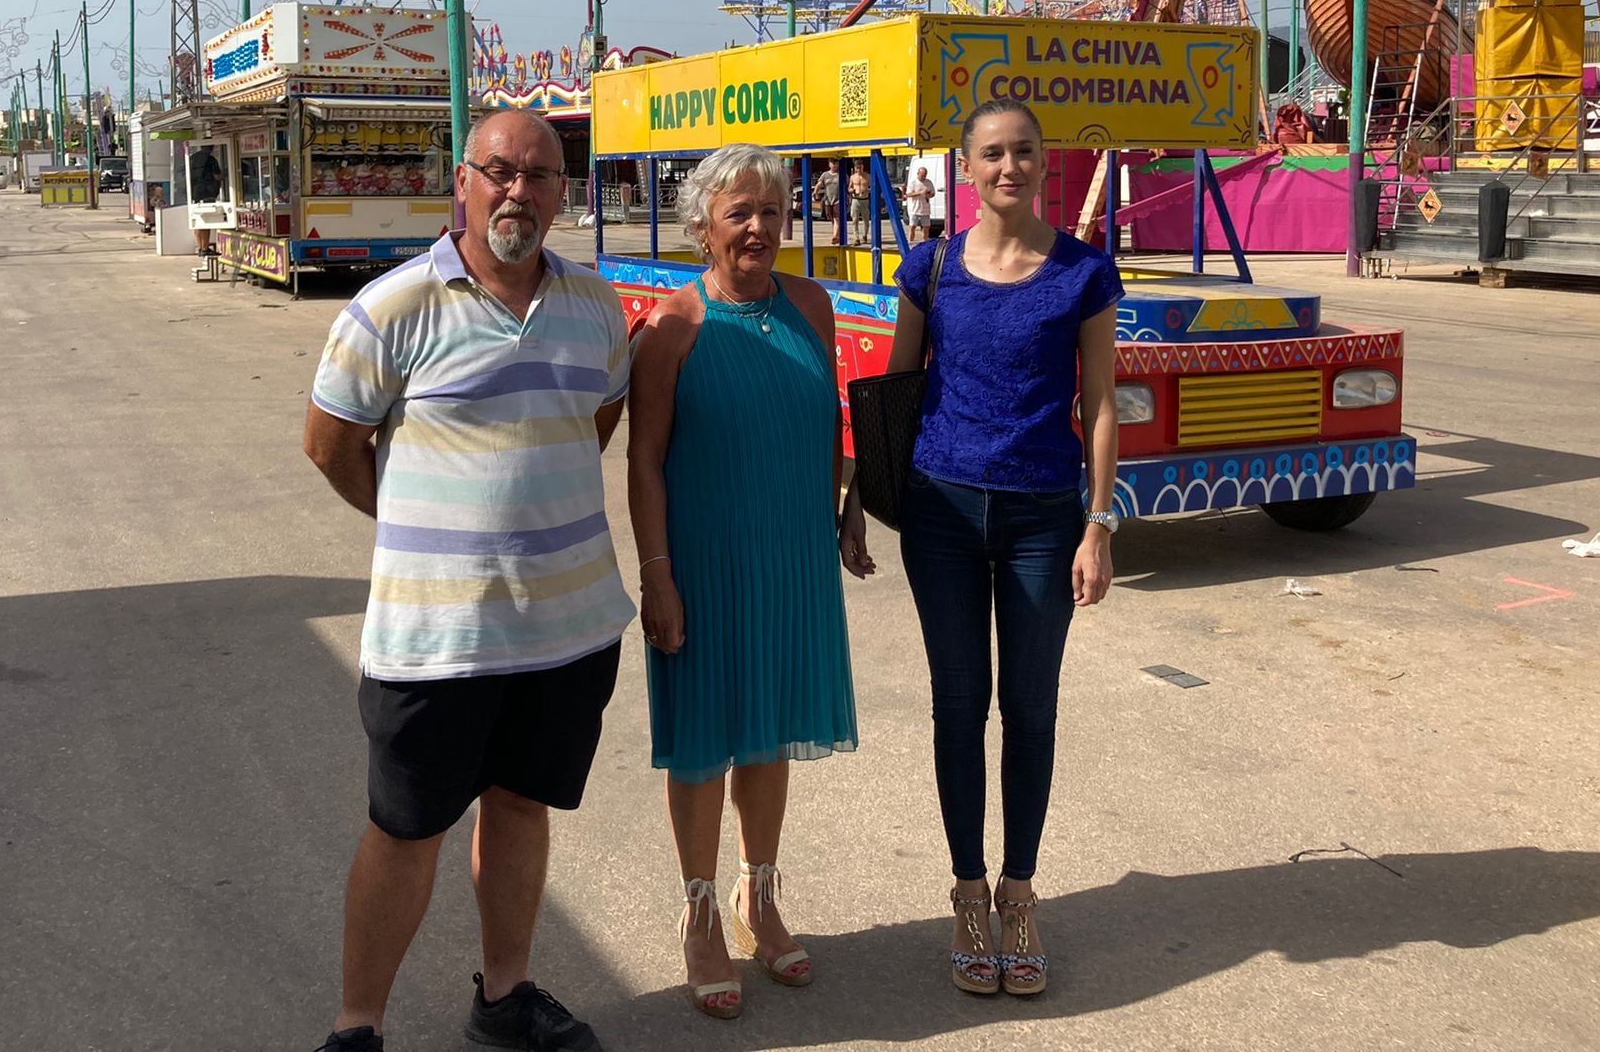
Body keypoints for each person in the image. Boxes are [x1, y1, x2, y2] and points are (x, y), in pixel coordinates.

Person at [303, 110, 633, 1052]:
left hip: (566, 630)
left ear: (563, 195)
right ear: (463, 181)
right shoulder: (392, 306)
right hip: (435, 638)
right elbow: (331, 446)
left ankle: (506, 996)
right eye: (500, 172)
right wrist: (428, 528)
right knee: (406, 832)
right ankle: (357, 1028)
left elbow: (594, 423)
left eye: (540, 177)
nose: (519, 192)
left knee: (523, 808)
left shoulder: (596, 308)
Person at [837, 96, 1121, 1001]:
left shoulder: (1083, 272)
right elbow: (894, 389)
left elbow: (1102, 403)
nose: (1010, 167)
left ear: (1045, 161)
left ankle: (1021, 892)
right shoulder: (930, 267)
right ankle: (967, 892)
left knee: (1031, 709)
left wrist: (1098, 523)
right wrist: (858, 495)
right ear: (965, 166)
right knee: (959, 705)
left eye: (1025, 152)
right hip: (942, 512)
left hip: (1043, 513)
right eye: (993, 154)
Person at [629, 144, 856, 1020]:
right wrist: (658, 578)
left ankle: (758, 900)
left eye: (772, 211)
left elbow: (823, 420)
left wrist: (848, 502)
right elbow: (644, 462)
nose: (758, 227)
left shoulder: (812, 305)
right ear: (703, 227)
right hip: (703, 563)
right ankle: (698, 913)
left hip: (793, 556)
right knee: (702, 743)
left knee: (768, 735)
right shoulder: (674, 328)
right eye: (739, 213)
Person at [903, 164, 938, 241]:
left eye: (925, 175)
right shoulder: (913, 183)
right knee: (912, 226)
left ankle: (925, 241)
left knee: (926, 227)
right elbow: (908, 194)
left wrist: (928, 194)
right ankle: (910, 241)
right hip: (915, 209)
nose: (923, 177)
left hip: (925, 209)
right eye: (922, 175)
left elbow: (933, 194)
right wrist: (920, 193)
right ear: (918, 174)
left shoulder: (928, 182)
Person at [849, 166, 872, 246]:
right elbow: (849, 188)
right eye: (857, 168)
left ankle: (864, 235)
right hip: (855, 199)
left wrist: (867, 190)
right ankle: (856, 238)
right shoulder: (853, 177)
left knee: (866, 219)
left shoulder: (867, 176)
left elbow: (873, 186)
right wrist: (851, 190)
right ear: (855, 168)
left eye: (860, 168)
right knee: (855, 219)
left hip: (864, 199)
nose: (859, 170)